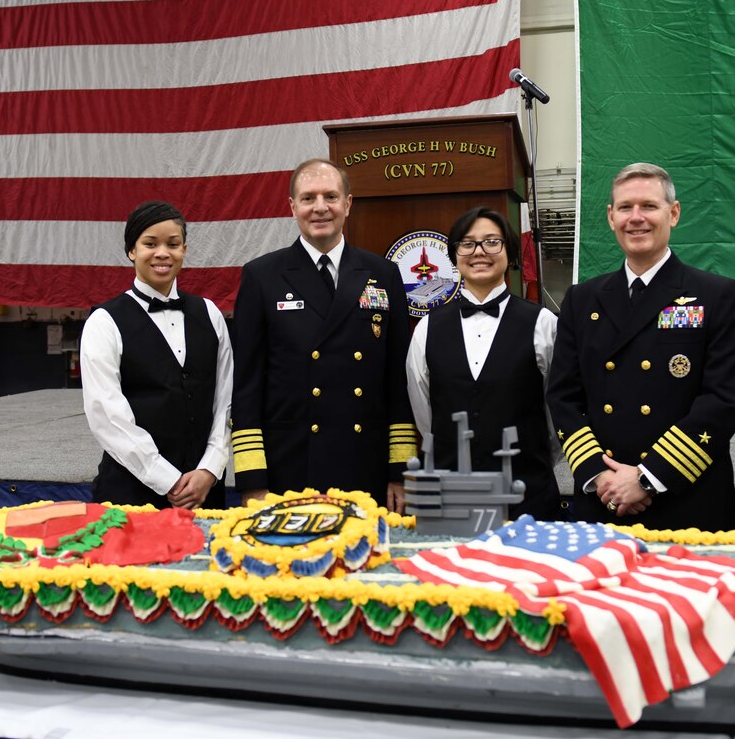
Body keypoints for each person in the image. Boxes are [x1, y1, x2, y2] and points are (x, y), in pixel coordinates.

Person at [545, 162, 735, 530]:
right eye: (625, 208)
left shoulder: (717, 295)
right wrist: (600, 475)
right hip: (604, 499)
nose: (636, 218)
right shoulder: (582, 300)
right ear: (611, 217)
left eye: (649, 206)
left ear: (673, 214)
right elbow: (563, 395)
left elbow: (725, 398)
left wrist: (647, 478)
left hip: (687, 500)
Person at [231, 159, 414, 512]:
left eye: (330, 196)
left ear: (347, 204)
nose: (320, 208)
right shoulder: (262, 276)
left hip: (366, 464)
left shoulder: (383, 274)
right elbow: (247, 385)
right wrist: (253, 479)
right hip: (290, 467)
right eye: (308, 198)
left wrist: (400, 470)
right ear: (292, 207)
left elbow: (397, 381)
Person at [406, 207, 562, 519]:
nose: (479, 252)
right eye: (468, 243)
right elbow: (425, 414)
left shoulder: (543, 322)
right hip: (451, 497)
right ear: (454, 255)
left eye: (492, 242)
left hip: (528, 495)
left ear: (511, 252)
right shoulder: (427, 328)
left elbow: (556, 413)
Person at [80, 201, 231, 510]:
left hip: (205, 493)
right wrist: (168, 480)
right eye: (150, 244)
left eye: (173, 244)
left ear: (184, 250)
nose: (163, 253)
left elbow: (225, 400)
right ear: (131, 251)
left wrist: (210, 468)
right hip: (131, 494)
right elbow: (106, 415)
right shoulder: (104, 321)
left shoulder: (210, 314)